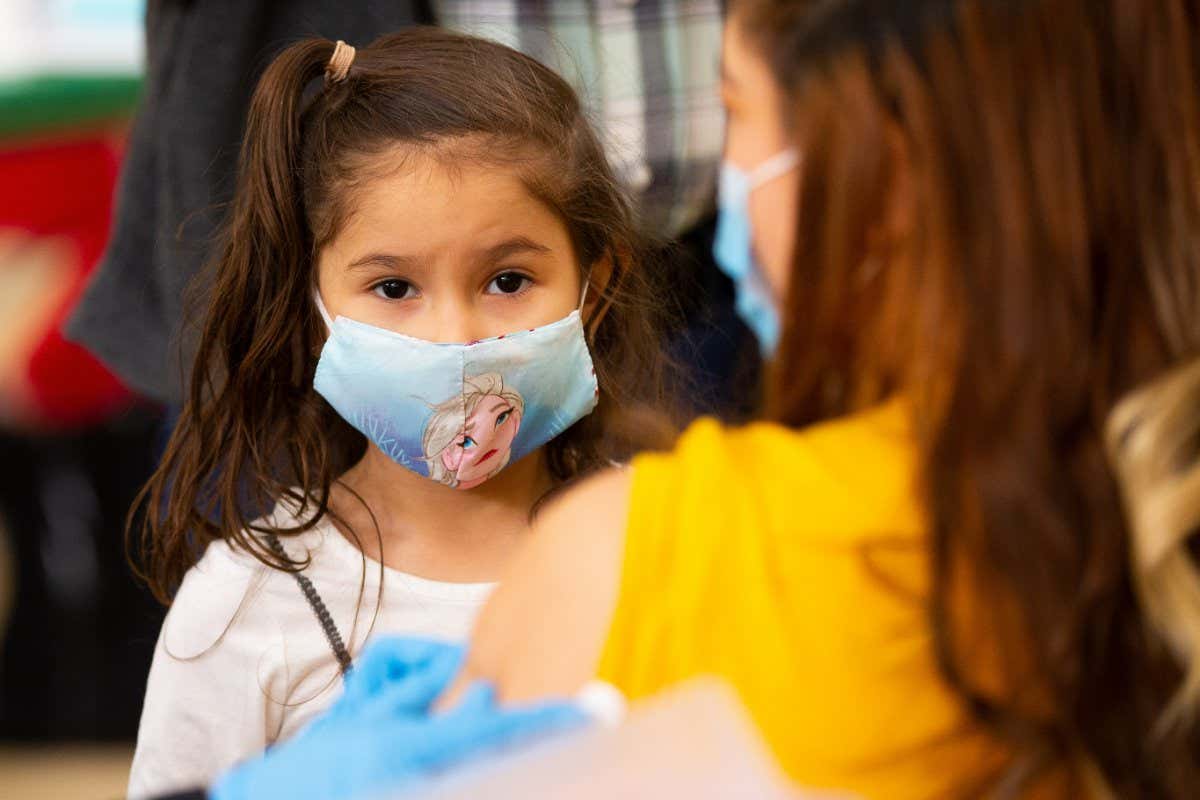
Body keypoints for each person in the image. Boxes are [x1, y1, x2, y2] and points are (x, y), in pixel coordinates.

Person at [443, 0, 1200, 797]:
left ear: (888, 171)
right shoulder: (1156, 527)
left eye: (738, 108)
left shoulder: (635, 562)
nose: (726, 177)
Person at [125, 29, 674, 799]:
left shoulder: (674, 545)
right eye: (392, 289)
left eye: (508, 280)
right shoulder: (246, 604)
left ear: (597, 284)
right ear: (314, 308)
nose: (456, 340)